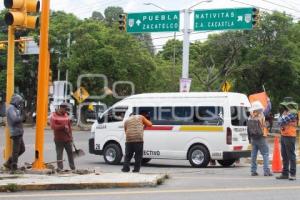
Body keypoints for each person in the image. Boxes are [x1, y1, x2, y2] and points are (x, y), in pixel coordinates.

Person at [247, 101, 272, 176]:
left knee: (254, 155)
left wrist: (249, 139)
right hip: (261, 137)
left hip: (253, 138)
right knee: (265, 154)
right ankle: (266, 171)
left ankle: (253, 171)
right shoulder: (261, 115)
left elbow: (248, 129)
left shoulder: (250, 117)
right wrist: (268, 101)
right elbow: (269, 108)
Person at [50, 102, 75, 172]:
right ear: (61, 108)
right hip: (59, 139)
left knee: (70, 153)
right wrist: (62, 126)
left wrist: (71, 136)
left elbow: (69, 126)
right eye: (65, 109)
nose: (66, 111)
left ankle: (73, 168)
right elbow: (53, 127)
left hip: (67, 139)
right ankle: (60, 169)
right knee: (59, 154)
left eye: (67, 110)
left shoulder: (66, 115)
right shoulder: (54, 116)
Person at [4, 94, 25, 173]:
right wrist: (22, 116)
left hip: (19, 132)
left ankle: (8, 163)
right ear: (16, 100)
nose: (20, 103)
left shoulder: (15, 109)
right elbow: (15, 119)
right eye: (19, 101)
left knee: (22, 149)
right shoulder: (11, 108)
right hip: (15, 132)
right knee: (15, 151)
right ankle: (14, 168)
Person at [276, 104, 297, 180]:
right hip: (284, 135)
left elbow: (281, 121)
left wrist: (282, 117)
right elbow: (278, 122)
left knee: (291, 156)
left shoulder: (293, 114)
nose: (284, 109)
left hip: (290, 136)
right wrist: (282, 117)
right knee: (284, 155)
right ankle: (285, 173)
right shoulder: (285, 114)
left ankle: (293, 174)